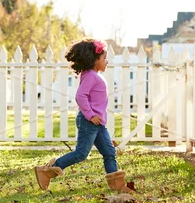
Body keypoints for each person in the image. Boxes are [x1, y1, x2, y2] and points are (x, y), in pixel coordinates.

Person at [34, 39, 132, 193]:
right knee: (81, 154)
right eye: (104, 59)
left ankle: (118, 187)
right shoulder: (91, 76)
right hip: (89, 121)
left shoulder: (94, 75)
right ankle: (46, 171)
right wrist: (90, 115)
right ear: (95, 60)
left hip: (98, 123)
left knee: (109, 152)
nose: (107, 62)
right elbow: (81, 96)